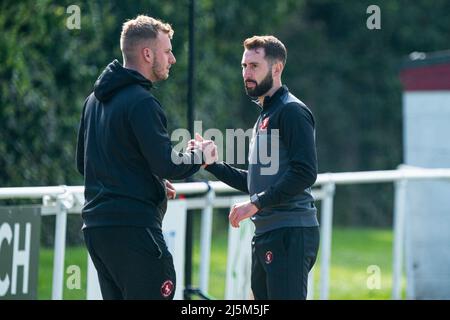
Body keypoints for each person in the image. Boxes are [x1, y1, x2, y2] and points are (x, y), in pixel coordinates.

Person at [76, 15, 216, 300]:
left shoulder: (92, 100)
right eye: (167, 51)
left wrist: (146, 180)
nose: (173, 59)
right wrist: (200, 154)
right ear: (147, 53)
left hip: (97, 231)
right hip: (134, 232)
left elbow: (86, 164)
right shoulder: (142, 101)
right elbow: (167, 164)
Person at [198, 35, 320, 299]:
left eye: (254, 66)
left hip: (290, 232)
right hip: (267, 232)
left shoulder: (291, 112)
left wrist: (256, 203)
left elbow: (305, 172)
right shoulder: (265, 114)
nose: (246, 73)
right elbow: (256, 181)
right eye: (244, 66)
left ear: (277, 68)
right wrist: (213, 165)